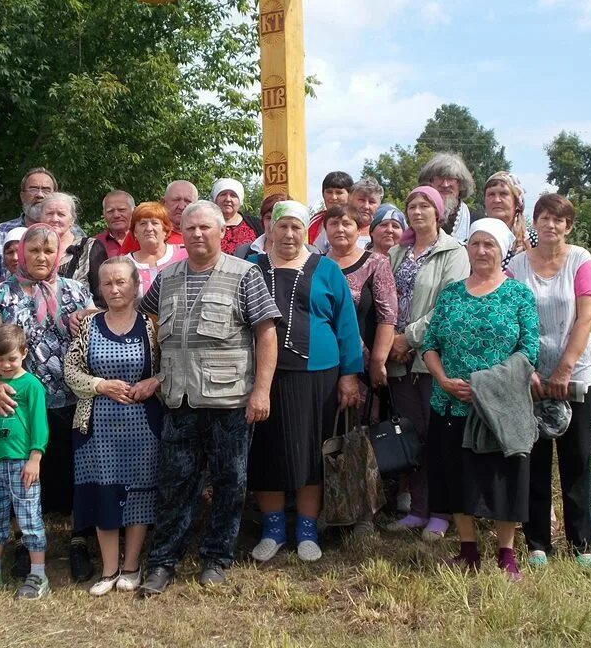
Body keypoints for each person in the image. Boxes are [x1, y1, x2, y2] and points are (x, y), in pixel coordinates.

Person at [137, 200, 279, 596]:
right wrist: (156, 375)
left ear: (221, 232)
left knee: (230, 481)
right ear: (181, 233)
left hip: (230, 401)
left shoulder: (245, 274)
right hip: (178, 399)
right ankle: (163, 561)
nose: (197, 234)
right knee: (174, 483)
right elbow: (145, 320)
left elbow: (266, 334)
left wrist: (261, 391)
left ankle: (217, 557)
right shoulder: (167, 278)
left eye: (205, 227)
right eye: (190, 228)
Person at [421, 218, 540, 580]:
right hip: (451, 404)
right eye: (475, 244)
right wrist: (442, 380)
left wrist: (483, 386)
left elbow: (528, 349)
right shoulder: (452, 293)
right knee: (456, 477)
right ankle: (468, 550)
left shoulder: (518, 295)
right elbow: (430, 344)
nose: (481, 251)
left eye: (489, 245)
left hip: (500, 407)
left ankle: (506, 554)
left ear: (502, 251)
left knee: (504, 479)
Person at [246, 201, 363, 562]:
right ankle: (274, 529)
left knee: (314, 452)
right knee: (267, 453)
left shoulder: (326, 270)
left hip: (318, 376)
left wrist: (349, 375)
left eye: (297, 227)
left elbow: (346, 325)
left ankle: (308, 530)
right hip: (263, 378)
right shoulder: (251, 269)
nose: (289, 234)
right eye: (282, 227)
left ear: (306, 232)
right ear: (271, 229)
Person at [0, 224, 96, 582]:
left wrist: (87, 316)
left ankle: (78, 541)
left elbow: (98, 327)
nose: (41, 258)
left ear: (58, 254)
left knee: (73, 472)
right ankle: (23, 544)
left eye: (48, 251)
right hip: (20, 402)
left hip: (71, 398)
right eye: (34, 251)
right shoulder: (1, 295)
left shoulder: (76, 290)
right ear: (21, 254)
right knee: (23, 476)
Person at [509, 193, 591, 569]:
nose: (550, 225)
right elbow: (511, 319)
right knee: (533, 461)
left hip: (576, 375)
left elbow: (587, 316)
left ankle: (582, 542)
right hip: (529, 376)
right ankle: (537, 544)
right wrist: (528, 369)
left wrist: (564, 369)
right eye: (544, 218)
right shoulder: (516, 265)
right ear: (534, 223)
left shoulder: (580, 259)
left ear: (569, 226)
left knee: (577, 459)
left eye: (558, 219)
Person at [64, 257, 162, 596]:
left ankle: (132, 565)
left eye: (121, 281)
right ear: (100, 289)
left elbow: (168, 366)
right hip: (97, 426)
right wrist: (100, 385)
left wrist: (155, 381)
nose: (115, 288)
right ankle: (108, 569)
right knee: (103, 493)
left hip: (143, 424)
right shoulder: (88, 326)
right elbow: (71, 371)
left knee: (139, 494)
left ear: (136, 285)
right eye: (107, 283)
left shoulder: (152, 325)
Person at [386, 186, 469, 538]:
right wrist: (389, 340)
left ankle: (441, 511)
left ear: (438, 212)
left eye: (425, 206)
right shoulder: (396, 252)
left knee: (438, 436)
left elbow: (449, 304)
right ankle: (419, 508)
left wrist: (409, 338)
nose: (417, 211)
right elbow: (385, 297)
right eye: (411, 206)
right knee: (412, 435)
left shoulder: (454, 252)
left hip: (432, 359)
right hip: (396, 359)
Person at [0, 324, 50, 599]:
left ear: (24, 353)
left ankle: (38, 575)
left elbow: (40, 425)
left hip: (22, 465)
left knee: (28, 518)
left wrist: (35, 458)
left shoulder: (31, 386)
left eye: (11, 358)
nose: (5, 365)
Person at [325, 205, 397, 392]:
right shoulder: (316, 264)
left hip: (364, 363)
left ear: (359, 230)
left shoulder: (376, 263)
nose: (340, 229)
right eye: (333, 223)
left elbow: (387, 316)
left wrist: (377, 361)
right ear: (326, 230)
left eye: (346, 224)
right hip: (325, 362)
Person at [0, 167, 84, 283]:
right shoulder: (1, 232)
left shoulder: (74, 233)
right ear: (22, 196)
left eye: (46, 190)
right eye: (33, 189)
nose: (39, 195)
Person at [41, 192, 108, 304]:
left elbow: (102, 295)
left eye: (61, 214)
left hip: (82, 317)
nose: (54, 219)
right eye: (49, 213)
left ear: (72, 220)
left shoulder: (90, 248)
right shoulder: (33, 249)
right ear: (41, 218)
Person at [125, 201, 187, 297]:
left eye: (155, 223)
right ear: (135, 232)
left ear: (165, 230)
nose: (149, 228)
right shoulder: (123, 264)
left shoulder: (184, 255)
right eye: (143, 223)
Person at [418, 152, 482, 243]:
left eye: (451, 178)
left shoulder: (476, 222)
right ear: (429, 182)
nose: (445, 184)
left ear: (461, 183)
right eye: (439, 178)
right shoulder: (417, 217)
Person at [484, 171, 537, 269]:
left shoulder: (534, 240)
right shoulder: (474, 240)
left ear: (517, 203)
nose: (496, 200)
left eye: (503, 194)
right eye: (491, 194)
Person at [211, 178, 262, 255]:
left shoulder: (256, 224)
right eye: (223, 194)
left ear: (240, 200)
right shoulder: (206, 223)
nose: (228, 199)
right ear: (215, 199)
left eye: (233, 195)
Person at [307, 171, 353, 252]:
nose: (333, 197)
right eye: (329, 192)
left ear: (350, 195)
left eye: (339, 192)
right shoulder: (313, 222)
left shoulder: (359, 221)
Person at [234, 193, 288, 259]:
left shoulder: (303, 254)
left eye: (280, 218)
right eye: (269, 218)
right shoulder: (243, 252)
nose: (273, 224)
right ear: (262, 221)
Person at [94, 190, 135, 257]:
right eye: (110, 211)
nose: (116, 215)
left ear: (134, 211)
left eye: (122, 210)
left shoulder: (144, 240)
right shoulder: (94, 244)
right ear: (104, 214)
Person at [348, 178, 384, 250]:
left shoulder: (385, 233)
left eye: (372, 202)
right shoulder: (337, 227)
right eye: (361, 200)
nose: (366, 206)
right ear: (350, 201)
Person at [161, 180, 199, 245]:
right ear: (164, 202)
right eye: (176, 200)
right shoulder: (151, 235)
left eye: (188, 201)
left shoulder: (204, 237)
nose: (181, 207)